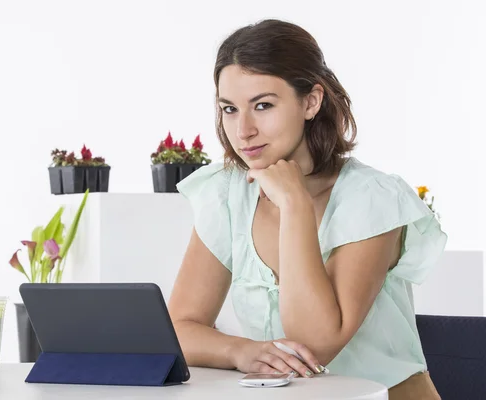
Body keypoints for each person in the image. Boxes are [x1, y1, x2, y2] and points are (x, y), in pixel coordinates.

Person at [168, 19, 446, 399]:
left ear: (311, 101)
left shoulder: (371, 199)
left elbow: (314, 345)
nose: (243, 129)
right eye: (229, 109)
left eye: (263, 105)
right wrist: (241, 351)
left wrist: (294, 204)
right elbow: (180, 328)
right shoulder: (227, 193)